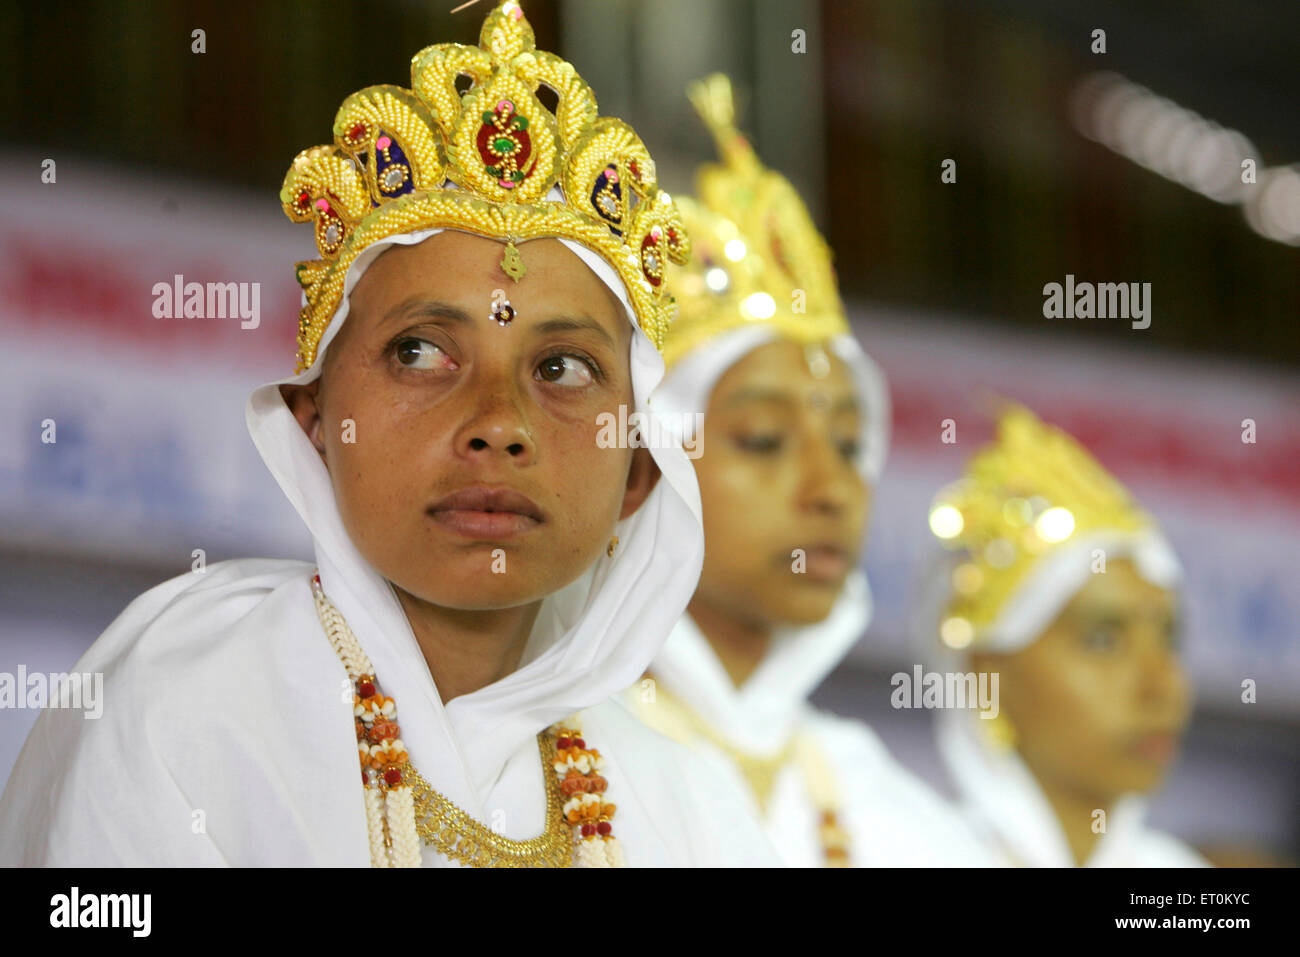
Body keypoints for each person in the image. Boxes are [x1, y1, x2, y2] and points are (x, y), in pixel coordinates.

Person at [0, 1, 778, 868]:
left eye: (560, 368)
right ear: (314, 422)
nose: (499, 425)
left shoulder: (685, 806)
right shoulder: (185, 704)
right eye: (420, 352)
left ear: (638, 471)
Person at [624, 74, 987, 866]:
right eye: (763, 439)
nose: (832, 491)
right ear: (641, 466)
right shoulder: (548, 755)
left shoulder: (896, 818)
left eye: (853, 446)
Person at [918, 403, 1208, 867]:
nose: (1163, 687)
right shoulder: (894, 849)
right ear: (986, 676)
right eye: (1103, 640)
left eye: (1168, 640)